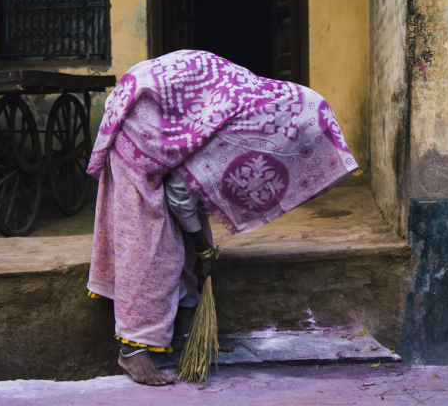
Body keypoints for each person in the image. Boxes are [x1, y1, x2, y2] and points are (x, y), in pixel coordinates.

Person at [85, 50, 358, 386]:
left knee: (189, 223)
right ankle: (133, 350)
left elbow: (189, 193)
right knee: (150, 242)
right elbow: (180, 193)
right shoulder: (244, 128)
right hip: (141, 122)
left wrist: (201, 245)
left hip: (165, 102)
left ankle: (185, 331)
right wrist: (204, 250)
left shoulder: (268, 107)